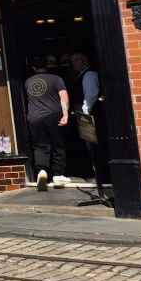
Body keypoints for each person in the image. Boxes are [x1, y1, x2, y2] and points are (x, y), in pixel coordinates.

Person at [24, 58, 69, 190]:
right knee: (57, 144)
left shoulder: (28, 82)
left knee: (40, 146)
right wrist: (65, 114)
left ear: (34, 68)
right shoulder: (56, 79)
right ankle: (58, 175)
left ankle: (42, 171)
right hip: (53, 116)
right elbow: (64, 97)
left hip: (34, 118)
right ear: (47, 66)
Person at [69, 51, 107, 188]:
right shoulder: (83, 74)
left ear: (83, 60)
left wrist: (85, 112)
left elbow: (91, 95)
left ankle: (100, 175)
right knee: (89, 144)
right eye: (72, 62)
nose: (74, 64)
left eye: (76, 60)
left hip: (88, 113)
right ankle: (97, 172)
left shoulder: (89, 74)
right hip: (84, 112)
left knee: (92, 143)